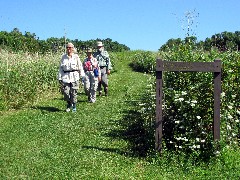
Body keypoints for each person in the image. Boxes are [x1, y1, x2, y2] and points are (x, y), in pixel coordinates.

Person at [58, 42, 84, 112]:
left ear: (73, 48)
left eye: (70, 47)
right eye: (67, 47)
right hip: (65, 77)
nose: (68, 49)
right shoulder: (63, 57)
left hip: (74, 76)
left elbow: (80, 66)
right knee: (66, 92)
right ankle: (69, 103)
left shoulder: (76, 57)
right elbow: (60, 68)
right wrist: (59, 77)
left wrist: (82, 75)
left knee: (73, 92)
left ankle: (74, 106)